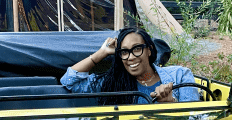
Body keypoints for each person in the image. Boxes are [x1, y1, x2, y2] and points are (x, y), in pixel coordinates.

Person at [60, 27, 200, 104]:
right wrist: (102, 52)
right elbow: (70, 81)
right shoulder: (113, 83)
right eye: (124, 52)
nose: (131, 57)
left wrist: (171, 103)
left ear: (149, 50)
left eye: (137, 49)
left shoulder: (180, 75)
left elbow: (196, 119)